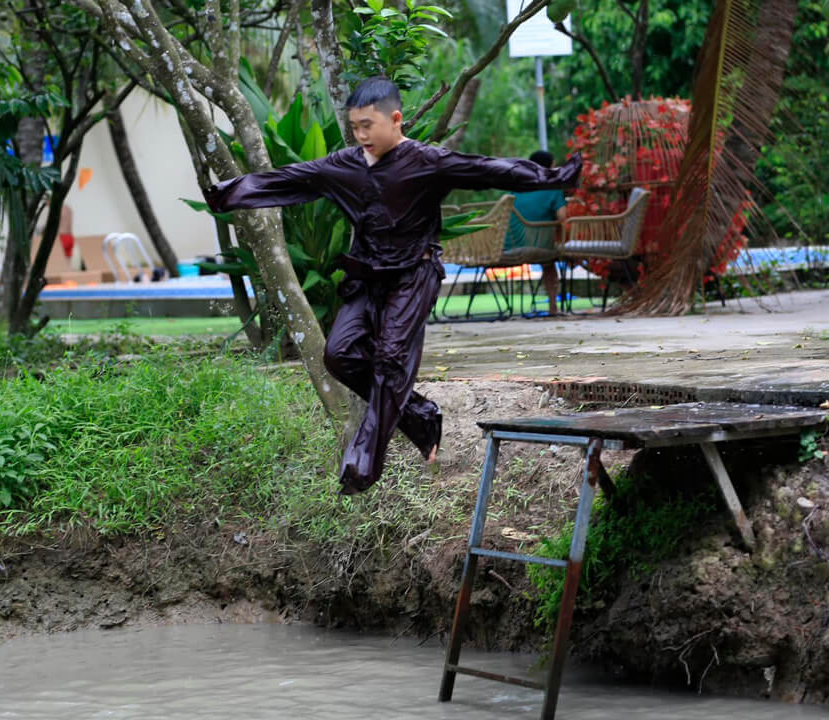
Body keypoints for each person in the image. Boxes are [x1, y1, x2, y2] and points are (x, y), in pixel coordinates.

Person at [203, 77, 581, 495]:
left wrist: (555, 176)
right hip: (366, 279)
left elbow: (488, 169)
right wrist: (228, 194)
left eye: (368, 125)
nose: (360, 135)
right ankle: (419, 414)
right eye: (354, 127)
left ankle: (362, 463)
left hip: (413, 276)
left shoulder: (427, 162)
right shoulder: (344, 166)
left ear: (395, 119)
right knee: (340, 354)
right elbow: (290, 179)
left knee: (388, 361)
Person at [505, 150, 568, 315]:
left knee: (547, 253)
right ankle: (553, 306)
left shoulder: (516, 189)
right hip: (538, 246)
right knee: (550, 262)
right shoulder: (552, 189)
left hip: (508, 245)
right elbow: (563, 218)